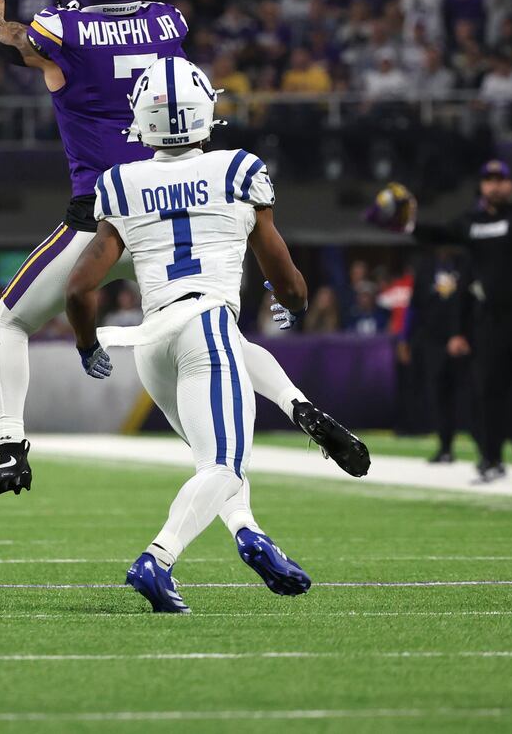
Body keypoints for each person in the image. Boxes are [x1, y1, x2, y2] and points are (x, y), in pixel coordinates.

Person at [0, 0, 365, 514]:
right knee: (215, 331)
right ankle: (299, 404)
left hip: (100, 217)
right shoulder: (164, 24)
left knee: (7, 322)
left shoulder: (57, 32)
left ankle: (11, 448)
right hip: (169, 210)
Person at [64, 57, 365, 611]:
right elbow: (286, 279)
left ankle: (250, 530)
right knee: (224, 465)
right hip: (209, 324)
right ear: (207, 111)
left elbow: (81, 288)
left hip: (152, 338)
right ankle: (157, 559)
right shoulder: (237, 169)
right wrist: (291, 304)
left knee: (214, 463)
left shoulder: (121, 182)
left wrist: (86, 345)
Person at [373, 162, 512, 483]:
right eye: (489, 180)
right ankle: (492, 460)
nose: (495, 186)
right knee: (488, 392)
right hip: (493, 321)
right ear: (482, 187)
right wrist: (407, 223)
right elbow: (440, 233)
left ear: (511, 186)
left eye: (501, 180)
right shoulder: (472, 222)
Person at [405, 247, 475, 464]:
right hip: (433, 341)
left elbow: (473, 302)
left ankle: (485, 449)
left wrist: (467, 334)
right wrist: (404, 337)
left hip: (463, 339)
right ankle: (445, 447)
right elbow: (414, 306)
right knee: (438, 395)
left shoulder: (466, 265)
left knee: (470, 394)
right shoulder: (426, 268)